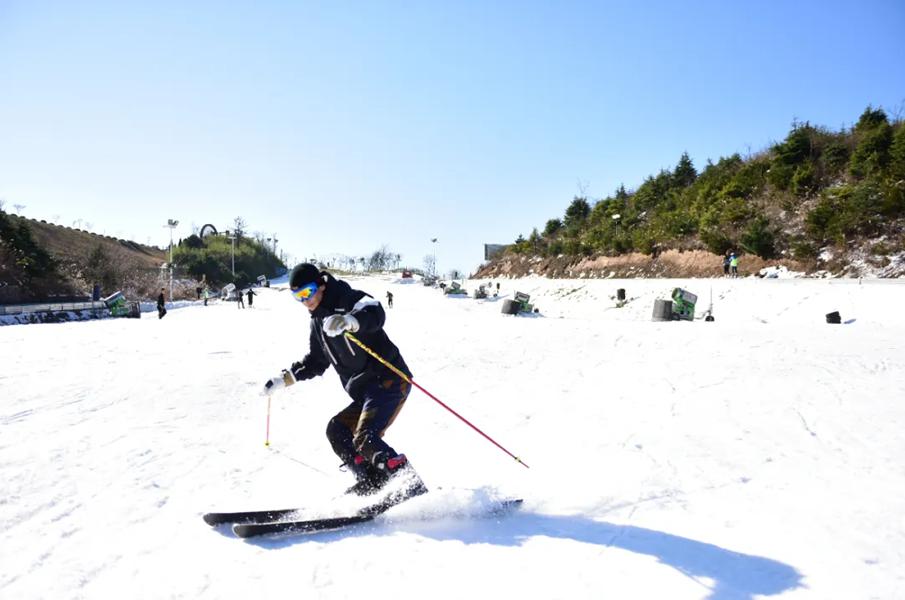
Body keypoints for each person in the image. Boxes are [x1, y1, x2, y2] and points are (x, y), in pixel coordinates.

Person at [263, 263, 425, 498]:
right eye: (298, 296)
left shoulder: (346, 298)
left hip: (389, 379)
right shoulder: (317, 323)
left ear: (320, 285)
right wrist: (283, 379)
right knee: (337, 431)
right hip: (364, 391)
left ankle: (408, 483)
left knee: (365, 437)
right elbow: (316, 362)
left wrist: (350, 320)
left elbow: (375, 311)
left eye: (307, 292)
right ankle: (371, 480)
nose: (305, 301)